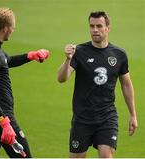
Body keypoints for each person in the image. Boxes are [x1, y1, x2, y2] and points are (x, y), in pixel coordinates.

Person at [57, 11, 138, 158]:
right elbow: (62, 78)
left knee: (106, 155)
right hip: (82, 118)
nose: (95, 30)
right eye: (92, 26)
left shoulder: (119, 55)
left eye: (99, 26)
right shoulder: (79, 51)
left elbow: (126, 84)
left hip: (107, 117)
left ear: (108, 28)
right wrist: (67, 59)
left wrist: (133, 115)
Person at [0, 8, 49, 158]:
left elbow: (6, 61)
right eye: (12, 27)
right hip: (1, 118)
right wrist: (5, 124)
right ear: (6, 29)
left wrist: (30, 56)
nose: (13, 30)